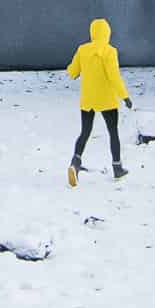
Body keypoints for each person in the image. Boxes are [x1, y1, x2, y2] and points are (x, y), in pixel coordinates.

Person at [65, 17, 133, 186]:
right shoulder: (110, 51)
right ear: (107, 33)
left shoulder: (82, 50)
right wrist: (125, 96)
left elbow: (72, 72)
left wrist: (79, 68)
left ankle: (75, 163)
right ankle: (117, 168)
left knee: (85, 132)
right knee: (113, 133)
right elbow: (114, 77)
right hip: (107, 99)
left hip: (87, 100)